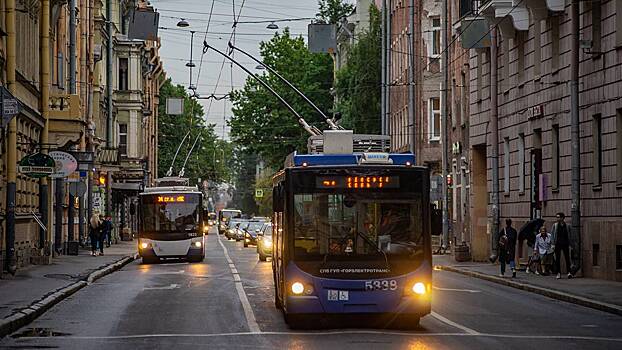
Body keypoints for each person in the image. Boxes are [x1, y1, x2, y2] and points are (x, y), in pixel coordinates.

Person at [551, 212, 573, 279]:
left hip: (565, 244)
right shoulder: (555, 225)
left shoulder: (567, 225)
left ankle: (569, 272)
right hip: (557, 244)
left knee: (567, 258)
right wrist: (553, 244)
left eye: (559, 217)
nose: (557, 218)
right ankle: (558, 273)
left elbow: (570, 235)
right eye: (557, 217)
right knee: (557, 259)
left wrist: (571, 244)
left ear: (563, 218)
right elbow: (552, 235)